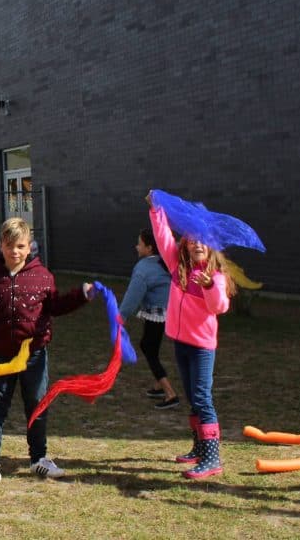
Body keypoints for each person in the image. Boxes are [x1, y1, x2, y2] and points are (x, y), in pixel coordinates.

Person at [0, 217, 94, 486]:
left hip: (34, 356)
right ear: (1, 245)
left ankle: (38, 458)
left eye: (20, 246)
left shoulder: (42, 276)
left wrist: (81, 295)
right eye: (9, 245)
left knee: (37, 404)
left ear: (29, 246)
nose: (15, 251)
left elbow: (56, 305)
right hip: (1, 356)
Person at [147, 191, 234, 479]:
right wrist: (156, 211)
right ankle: (198, 448)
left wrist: (208, 285)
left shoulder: (215, 276)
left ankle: (212, 458)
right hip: (181, 342)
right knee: (192, 396)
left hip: (201, 347)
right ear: (185, 243)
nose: (197, 243)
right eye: (192, 238)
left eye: (203, 240)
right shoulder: (178, 267)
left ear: (211, 247)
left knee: (202, 397)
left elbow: (219, 307)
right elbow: (163, 237)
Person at [118, 228, 177, 409]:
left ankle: (170, 393)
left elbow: (133, 295)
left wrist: (122, 315)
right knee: (151, 346)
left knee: (148, 348)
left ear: (149, 247)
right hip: (169, 312)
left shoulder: (144, 268)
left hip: (157, 314)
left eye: (139, 244)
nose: (136, 247)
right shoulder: (165, 261)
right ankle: (159, 386)